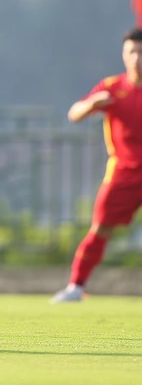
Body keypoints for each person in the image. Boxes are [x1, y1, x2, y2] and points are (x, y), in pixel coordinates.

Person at [51, 28, 142, 303]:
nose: (137, 58)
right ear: (124, 55)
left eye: (141, 52)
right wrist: (92, 104)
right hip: (124, 173)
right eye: (132, 52)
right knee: (100, 228)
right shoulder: (113, 87)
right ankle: (76, 287)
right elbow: (74, 114)